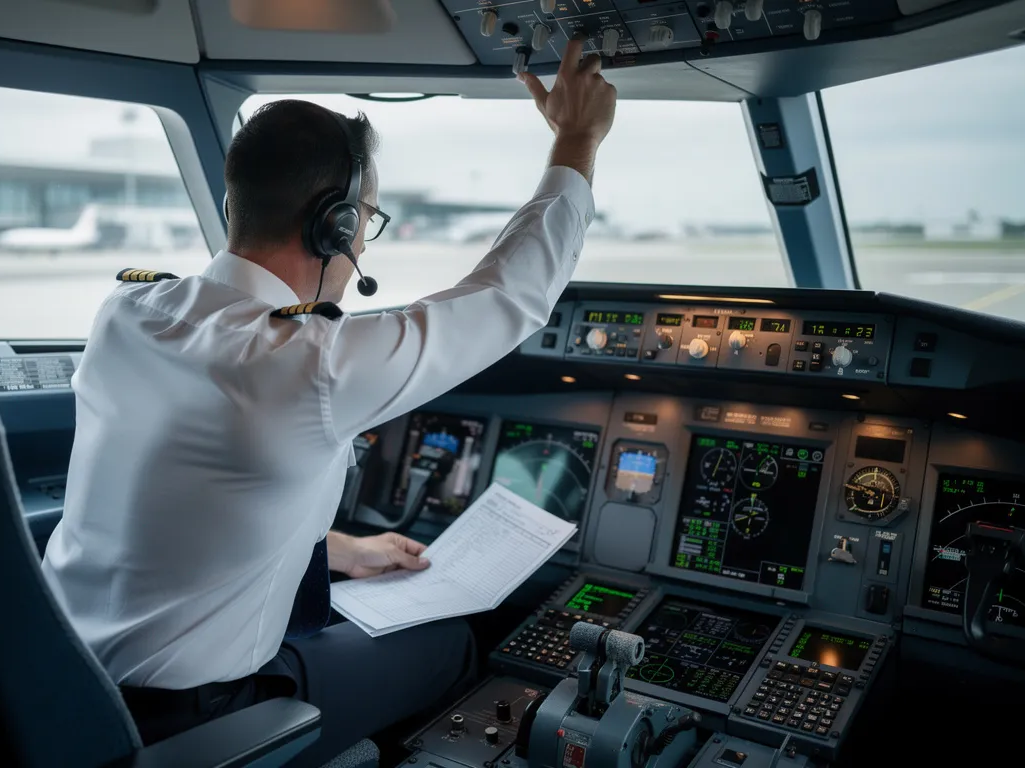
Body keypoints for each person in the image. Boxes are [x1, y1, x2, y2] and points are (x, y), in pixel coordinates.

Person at [40, 36, 618, 766]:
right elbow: (509, 297)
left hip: (63, 678)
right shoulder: (308, 362)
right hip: (195, 719)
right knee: (453, 643)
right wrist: (576, 141)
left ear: (234, 203)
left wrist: (342, 549)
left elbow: (188, 493)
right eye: (365, 220)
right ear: (335, 226)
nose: (363, 246)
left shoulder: (126, 312)